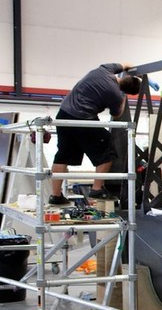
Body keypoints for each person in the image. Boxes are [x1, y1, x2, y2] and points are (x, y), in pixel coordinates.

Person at [49, 62, 140, 205]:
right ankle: (97, 189)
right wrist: (123, 97)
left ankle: (55, 196)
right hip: (83, 119)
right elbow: (117, 115)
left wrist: (132, 70)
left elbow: (125, 64)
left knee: (62, 155)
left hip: (63, 114)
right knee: (107, 151)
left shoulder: (105, 70)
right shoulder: (116, 95)